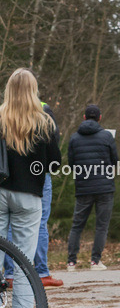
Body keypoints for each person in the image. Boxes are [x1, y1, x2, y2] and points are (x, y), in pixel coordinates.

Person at [0, 69, 60, 308]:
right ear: (33, 90)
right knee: (24, 263)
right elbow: (55, 164)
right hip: (29, 196)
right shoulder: (44, 121)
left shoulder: (0, 117)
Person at [3, 100, 62, 287]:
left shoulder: (3, 111)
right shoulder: (44, 111)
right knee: (40, 225)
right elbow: (54, 156)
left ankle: (9, 275)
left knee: (7, 230)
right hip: (35, 181)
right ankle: (42, 272)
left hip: (4, 180)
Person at [65, 104, 118, 271]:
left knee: (77, 225)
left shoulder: (74, 138)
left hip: (83, 188)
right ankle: (95, 261)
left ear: (84, 117)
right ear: (100, 118)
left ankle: (71, 262)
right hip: (105, 187)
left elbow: (72, 163)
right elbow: (115, 161)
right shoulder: (107, 136)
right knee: (101, 226)